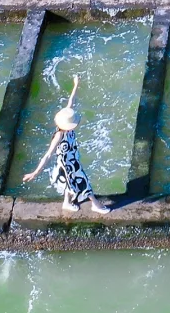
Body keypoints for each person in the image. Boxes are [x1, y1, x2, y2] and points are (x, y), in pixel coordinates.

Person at [22, 74, 108, 214]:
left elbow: (71, 101)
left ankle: (66, 203)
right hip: (66, 164)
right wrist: (35, 172)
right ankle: (96, 205)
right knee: (83, 182)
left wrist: (76, 85)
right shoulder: (59, 135)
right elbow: (48, 155)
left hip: (73, 160)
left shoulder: (67, 127)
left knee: (70, 183)